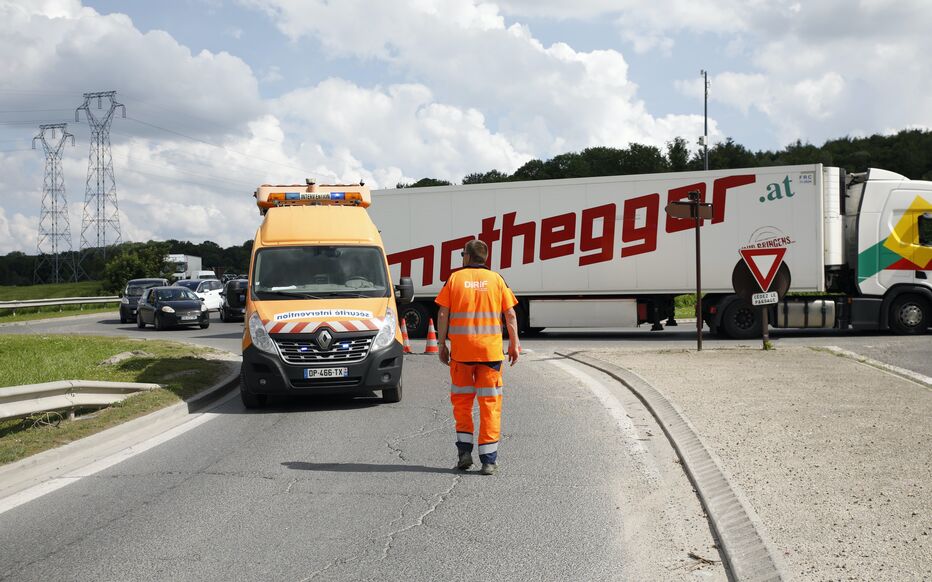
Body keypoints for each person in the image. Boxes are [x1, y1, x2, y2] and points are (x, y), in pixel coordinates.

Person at [435, 239, 520, 476]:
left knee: (462, 405)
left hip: (462, 354)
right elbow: (510, 314)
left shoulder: (454, 279)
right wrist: (514, 345)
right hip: (490, 354)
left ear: (467, 257)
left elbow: (443, 312)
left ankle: (464, 454)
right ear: (485, 258)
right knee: (490, 406)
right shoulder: (496, 280)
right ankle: (489, 460)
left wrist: (442, 344)